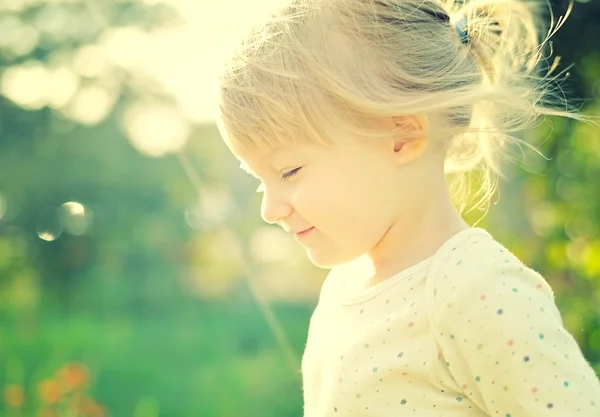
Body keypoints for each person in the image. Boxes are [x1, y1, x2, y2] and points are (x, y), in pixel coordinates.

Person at [215, 0, 600, 415]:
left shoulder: (476, 291)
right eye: (259, 181)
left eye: (288, 171)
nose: (269, 209)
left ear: (401, 136)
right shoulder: (346, 286)